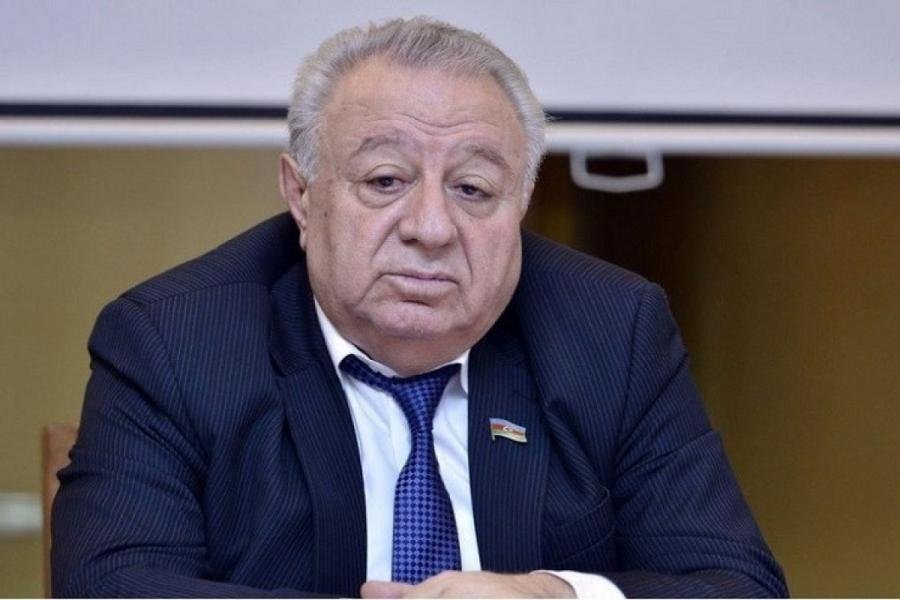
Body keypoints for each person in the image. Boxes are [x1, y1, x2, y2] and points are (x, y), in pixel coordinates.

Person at [52, 17, 787, 598]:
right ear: (301, 194)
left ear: (520, 204)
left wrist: (556, 594)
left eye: (472, 189)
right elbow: (110, 586)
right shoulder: (175, 340)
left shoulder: (611, 331)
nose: (431, 228)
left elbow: (736, 586)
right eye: (385, 180)